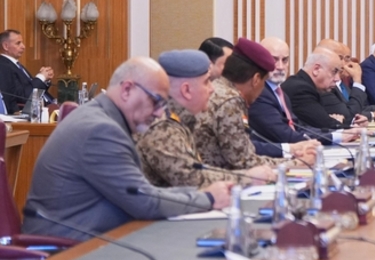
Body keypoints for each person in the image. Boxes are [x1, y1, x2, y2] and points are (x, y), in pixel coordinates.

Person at [22, 57, 232, 240]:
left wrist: (199, 193)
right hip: (67, 251)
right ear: (127, 89)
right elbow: (145, 201)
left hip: (96, 240)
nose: (159, 113)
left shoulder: (102, 117)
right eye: (156, 101)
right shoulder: (100, 131)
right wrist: (209, 198)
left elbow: (139, 190)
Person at [137, 50, 274, 187]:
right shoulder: (162, 128)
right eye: (207, 82)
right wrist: (248, 178)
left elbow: (199, 169)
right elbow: (193, 180)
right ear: (186, 91)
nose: (212, 89)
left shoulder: (182, 119)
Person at [194, 38, 315, 170]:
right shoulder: (230, 101)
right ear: (256, 79)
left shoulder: (218, 87)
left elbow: (244, 149)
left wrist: (289, 152)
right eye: (264, 83)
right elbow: (244, 161)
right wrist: (299, 163)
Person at [247, 37, 320, 158]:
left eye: (285, 60)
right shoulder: (259, 93)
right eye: (274, 60)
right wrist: (318, 141)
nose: (280, 66)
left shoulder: (281, 94)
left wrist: (338, 134)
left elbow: (297, 127)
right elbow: (284, 135)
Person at [283, 47, 365, 134]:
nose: (337, 78)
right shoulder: (300, 89)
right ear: (316, 69)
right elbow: (325, 124)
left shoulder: (310, 86)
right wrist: (350, 126)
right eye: (334, 72)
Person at [0, 29, 54, 111]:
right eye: (18, 43)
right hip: (27, 114)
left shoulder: (15, 65)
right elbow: (23, 97)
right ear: (5, 46)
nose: (23, 46)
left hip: (47, 107)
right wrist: (41, 77)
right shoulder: (3, 66)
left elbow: (29, 88)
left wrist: (44, 80)